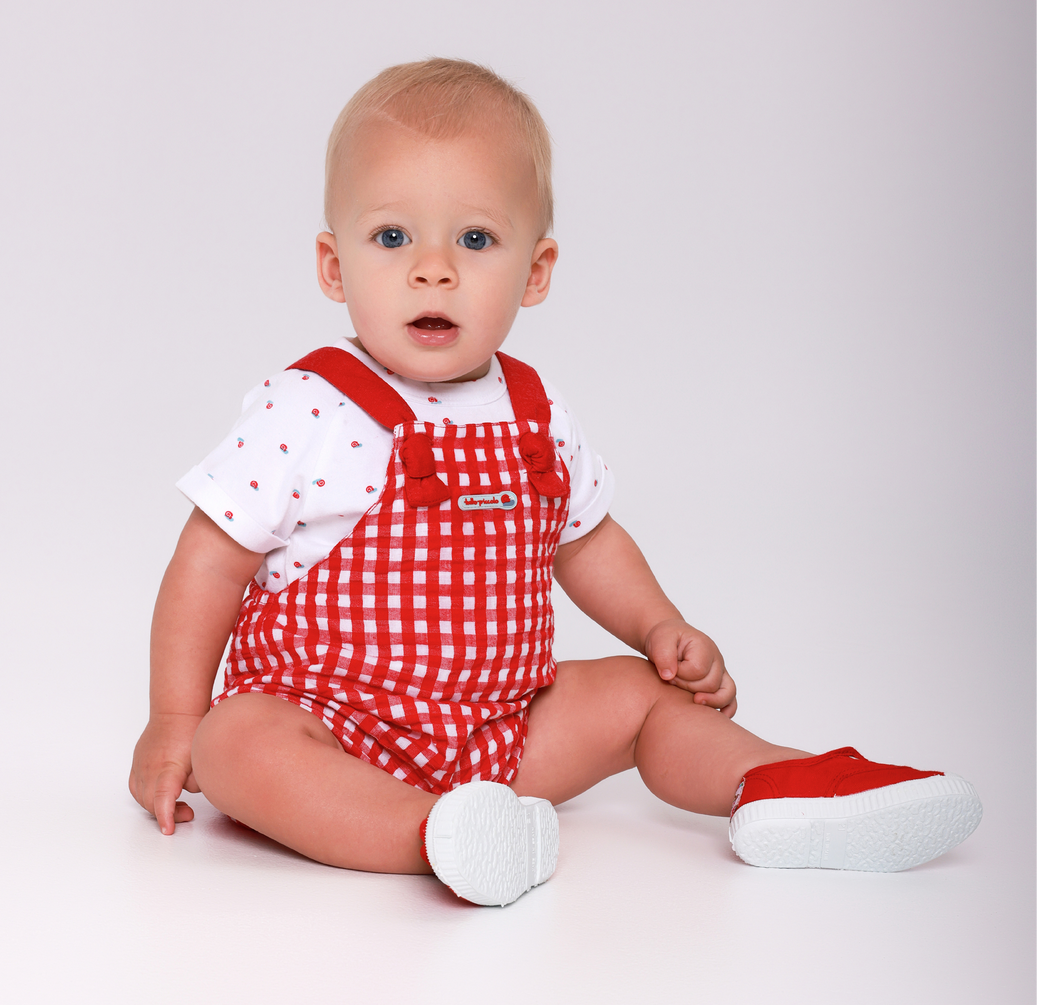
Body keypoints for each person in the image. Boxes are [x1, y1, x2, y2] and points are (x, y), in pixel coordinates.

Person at [129, 58, 981, 906]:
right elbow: (208, 564)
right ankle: (434, 835)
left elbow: (588, 542)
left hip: (503, 729)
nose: (434, 269)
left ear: (535, 272)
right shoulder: (309, 406)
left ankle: (781, 787)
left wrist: (658, 624)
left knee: (642, 695)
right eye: (392, 238)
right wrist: (176, 720)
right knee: (234, 742)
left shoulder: (535, 410)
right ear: (332, 264)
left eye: (475, 240)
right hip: (327, 727)